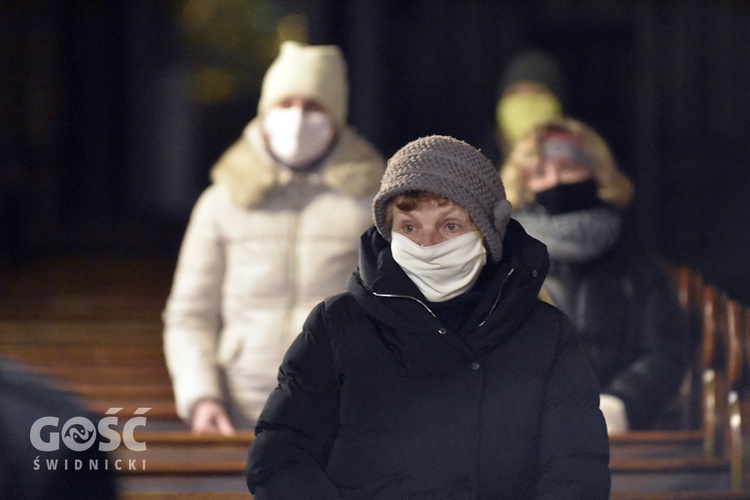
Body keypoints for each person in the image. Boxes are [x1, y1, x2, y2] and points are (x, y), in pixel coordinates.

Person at [246, 135, 610, 499]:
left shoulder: (544, 333)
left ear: (488, 233)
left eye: (450, 225)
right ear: (388, 232)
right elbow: (281, 457)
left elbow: (577, 470)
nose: (427, 243)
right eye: (409, 227)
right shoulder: (335, 325)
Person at [162, 41, 386, 435]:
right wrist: (201, 397)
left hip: (343, 418)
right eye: (285, 104)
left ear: (336, 117)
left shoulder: (373, 201)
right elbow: (188, 315)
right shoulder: (224, 200)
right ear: (265, 112)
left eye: (314, 106)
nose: (298, 119)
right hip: (242, 414)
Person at [500, 117, 690, 434]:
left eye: (568, 168)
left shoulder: (637, 261)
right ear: (523, 184)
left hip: (622, 442)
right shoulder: (502, 260)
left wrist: (618, 406)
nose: (554, 181)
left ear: (596, 174)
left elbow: (666, 350)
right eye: (539, 173)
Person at [494, 49, 566, 161]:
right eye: (516, 94)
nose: (525, 105)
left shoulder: (581, 167)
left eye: (536, 93)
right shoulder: (476, 166)